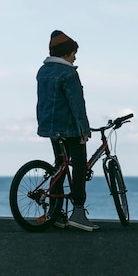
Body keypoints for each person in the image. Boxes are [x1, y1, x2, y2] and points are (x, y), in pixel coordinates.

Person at [36, 30, 96, 232]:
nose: (75, 57)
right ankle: (78, 212)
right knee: (79, 166)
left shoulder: (43, 72)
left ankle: (56, 213)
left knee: (60, 166)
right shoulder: (69, 73)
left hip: (50, 128)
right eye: (73, 53)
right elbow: (77, 104)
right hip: (70, 129)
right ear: (64, 54)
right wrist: (84, 129)